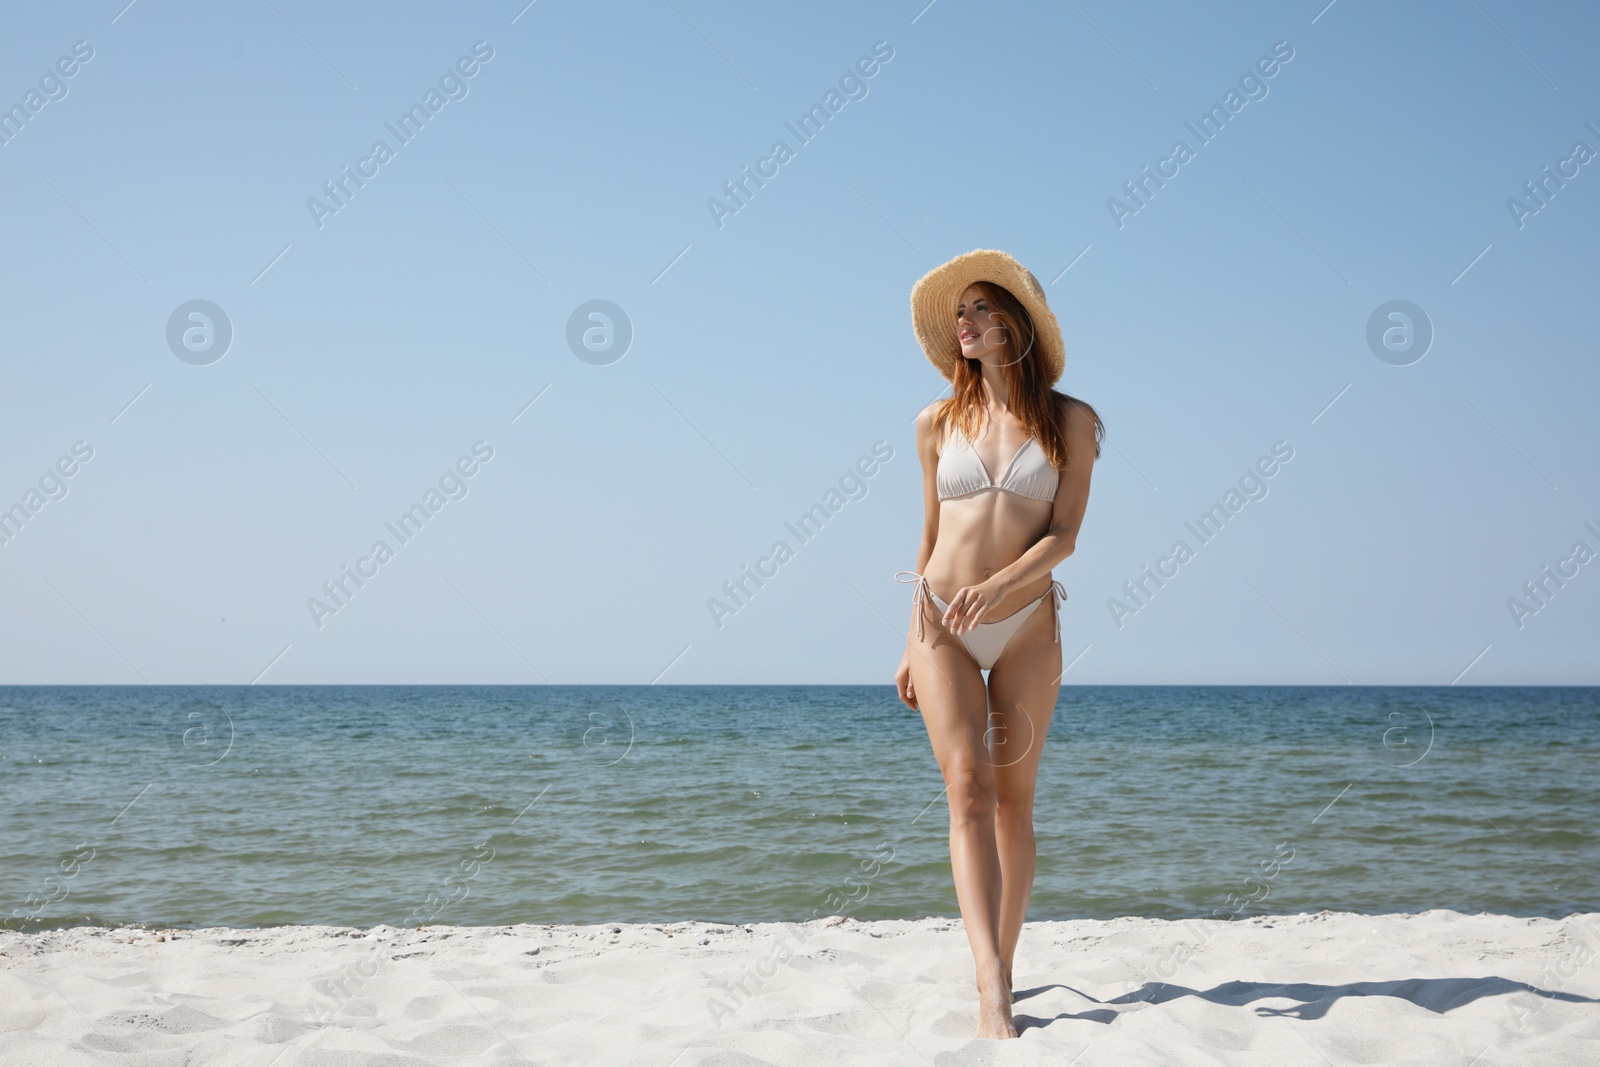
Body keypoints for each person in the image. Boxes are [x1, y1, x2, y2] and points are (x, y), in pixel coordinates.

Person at [894, 249, 1103, 1039]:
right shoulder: (934, 422)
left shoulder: (1071, 420)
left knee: (1014, 803)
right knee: (967, 793)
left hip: (1026, 626)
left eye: (981, 308)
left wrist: (1005, 582)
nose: (967, 322)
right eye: (961, 313)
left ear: (1015, 321)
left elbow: (1067, 536)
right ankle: (990, 986)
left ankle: (1004, 963)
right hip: (939, 620)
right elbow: (928, 531)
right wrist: (905, 637)